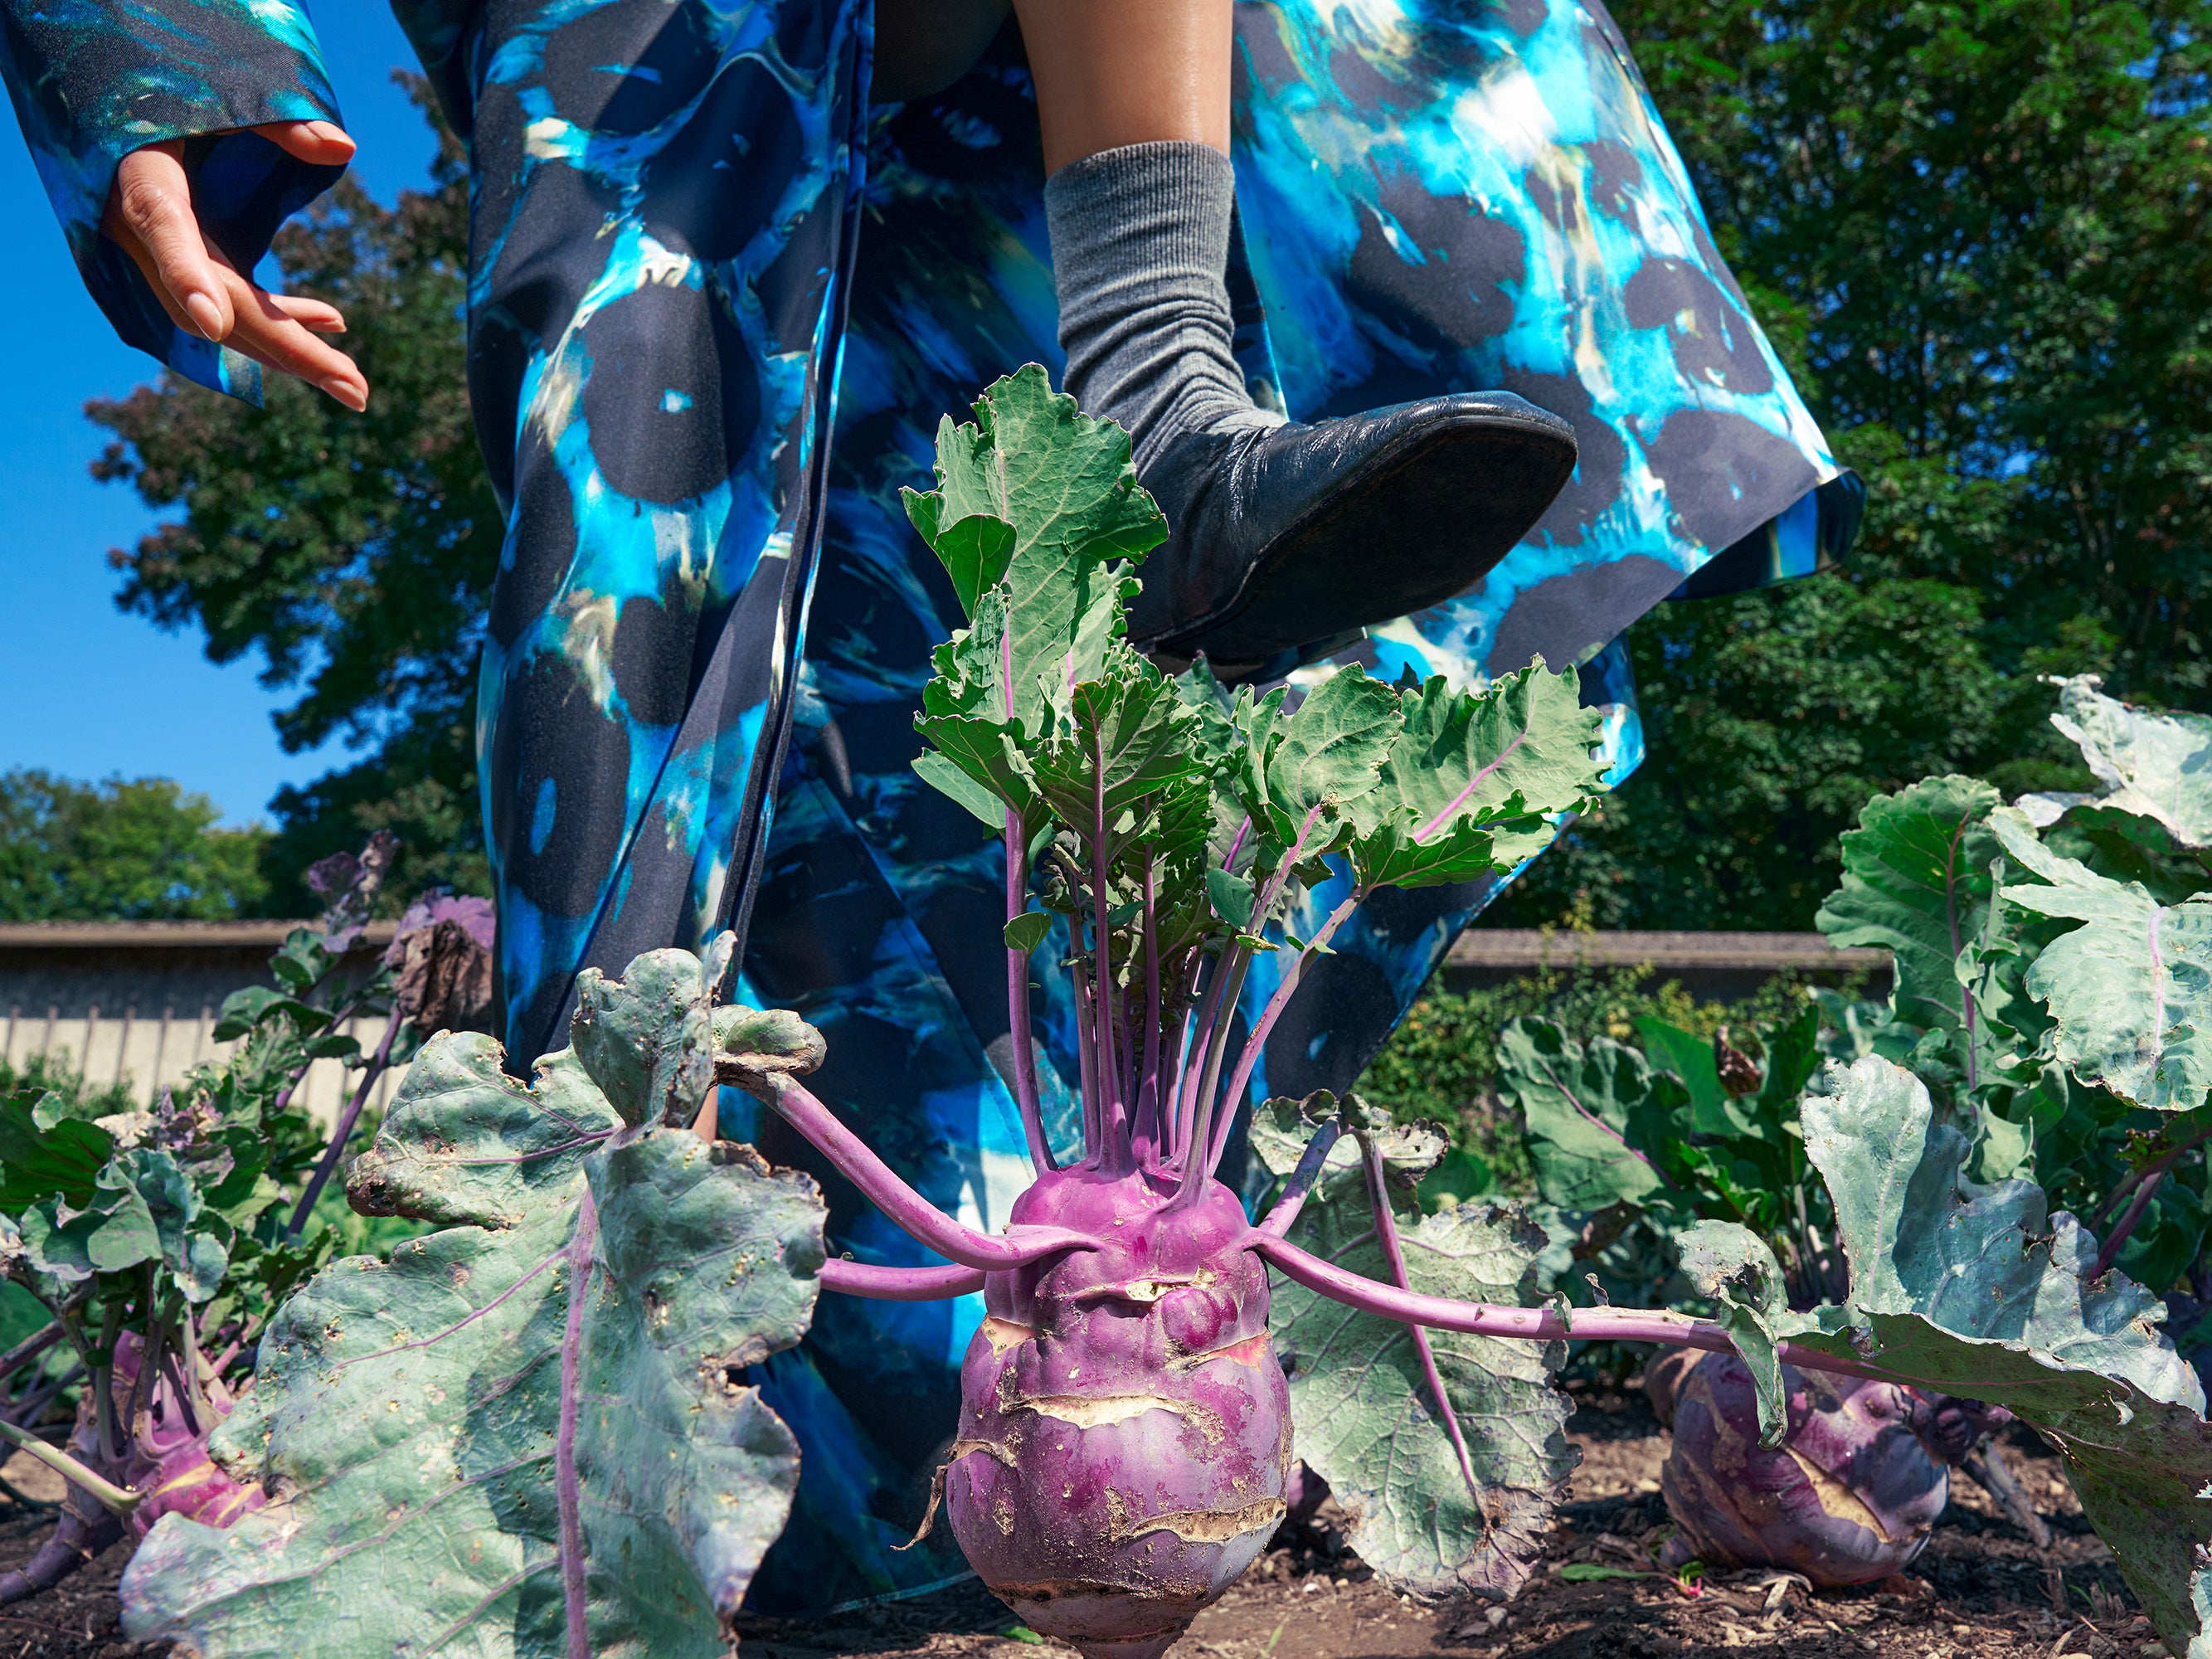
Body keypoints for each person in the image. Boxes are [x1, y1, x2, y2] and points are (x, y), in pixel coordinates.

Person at [4, 0, 1859, 1611]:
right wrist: (154, 66)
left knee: (1101, 652)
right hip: (656, 67)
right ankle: (642, 1374)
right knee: (675, 585)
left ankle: (1157, 375)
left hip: (1096, 111)